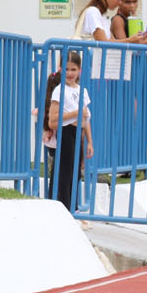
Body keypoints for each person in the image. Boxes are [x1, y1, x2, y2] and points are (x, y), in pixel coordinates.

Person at [42, 51, 93, 209]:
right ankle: (61, 207)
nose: (70, 73)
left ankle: (71, 207)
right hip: (65, 134)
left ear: (79, 70)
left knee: (75, 174)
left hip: (78, 135)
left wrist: (89, 141)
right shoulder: (59, 90)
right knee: (63, 174)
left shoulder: (81, 90)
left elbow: (86, 119)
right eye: (67, 69)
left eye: (73, 69)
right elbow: (53, 120)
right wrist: (75, 113)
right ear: (60, 68)